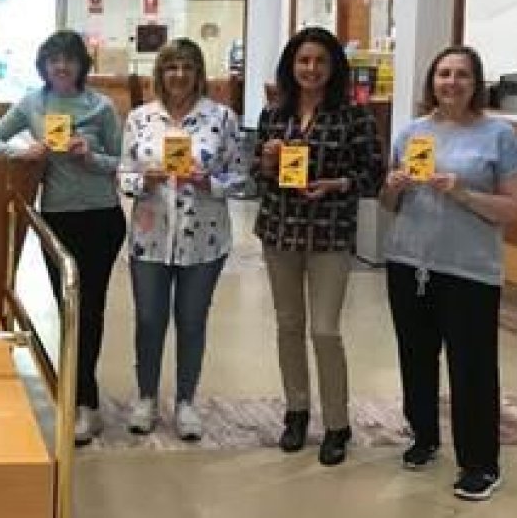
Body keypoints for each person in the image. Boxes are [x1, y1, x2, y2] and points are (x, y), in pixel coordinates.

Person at [381, 46, 517, 501]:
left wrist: (464, 194)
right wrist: (392, 187)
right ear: (432, 81)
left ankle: (480, 463)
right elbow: (388, 204)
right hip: (409, 263)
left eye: (462, 74)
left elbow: (511, 209)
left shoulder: (498, 136)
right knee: (415, 356)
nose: (452, 82)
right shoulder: (411, 132)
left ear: (476, 83)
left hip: (469, 270)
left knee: (471, 367)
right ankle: (423, 437)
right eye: (444, 74)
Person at [0, 29, 126, 445]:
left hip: (101, 218)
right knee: (69, 309)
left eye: (69, 59)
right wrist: (23, 153)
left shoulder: (101, 106)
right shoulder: (33, 103)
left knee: (90, 310)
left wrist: (90, 156)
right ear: (44, 65)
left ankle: (86, 403)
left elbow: (121, 161)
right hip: (57, 220)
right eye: (54, 60)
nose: (62, 67)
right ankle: (76, 392)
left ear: (82, 65)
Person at [253, 26, 383, 466]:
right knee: (288, 325)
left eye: (320, 61)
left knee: (325, 330)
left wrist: (337, 183)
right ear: (291, 65)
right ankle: (296, 411)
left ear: (334, 67)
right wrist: (267, 161)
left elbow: (373, 175)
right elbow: (256, 177)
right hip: (280, 232)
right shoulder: (274, 114)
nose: (311, 69)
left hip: (329, 234)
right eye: (303, 60)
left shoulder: (354, 116)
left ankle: (337, 423)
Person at [118, 38, 247, 440]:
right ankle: (146, 397)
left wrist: (211, 183)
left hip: (203, 240)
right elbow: (123, 174)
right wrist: (144, 180)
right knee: (149, 320)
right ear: (160, 73)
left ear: (198, 74)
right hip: (150, 237)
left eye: (187, 67)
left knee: (191, 321)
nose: (179, 75)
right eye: (171, 67)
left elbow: (241, 178)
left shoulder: (221, 118)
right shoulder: (140, 118)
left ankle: (186, 401)